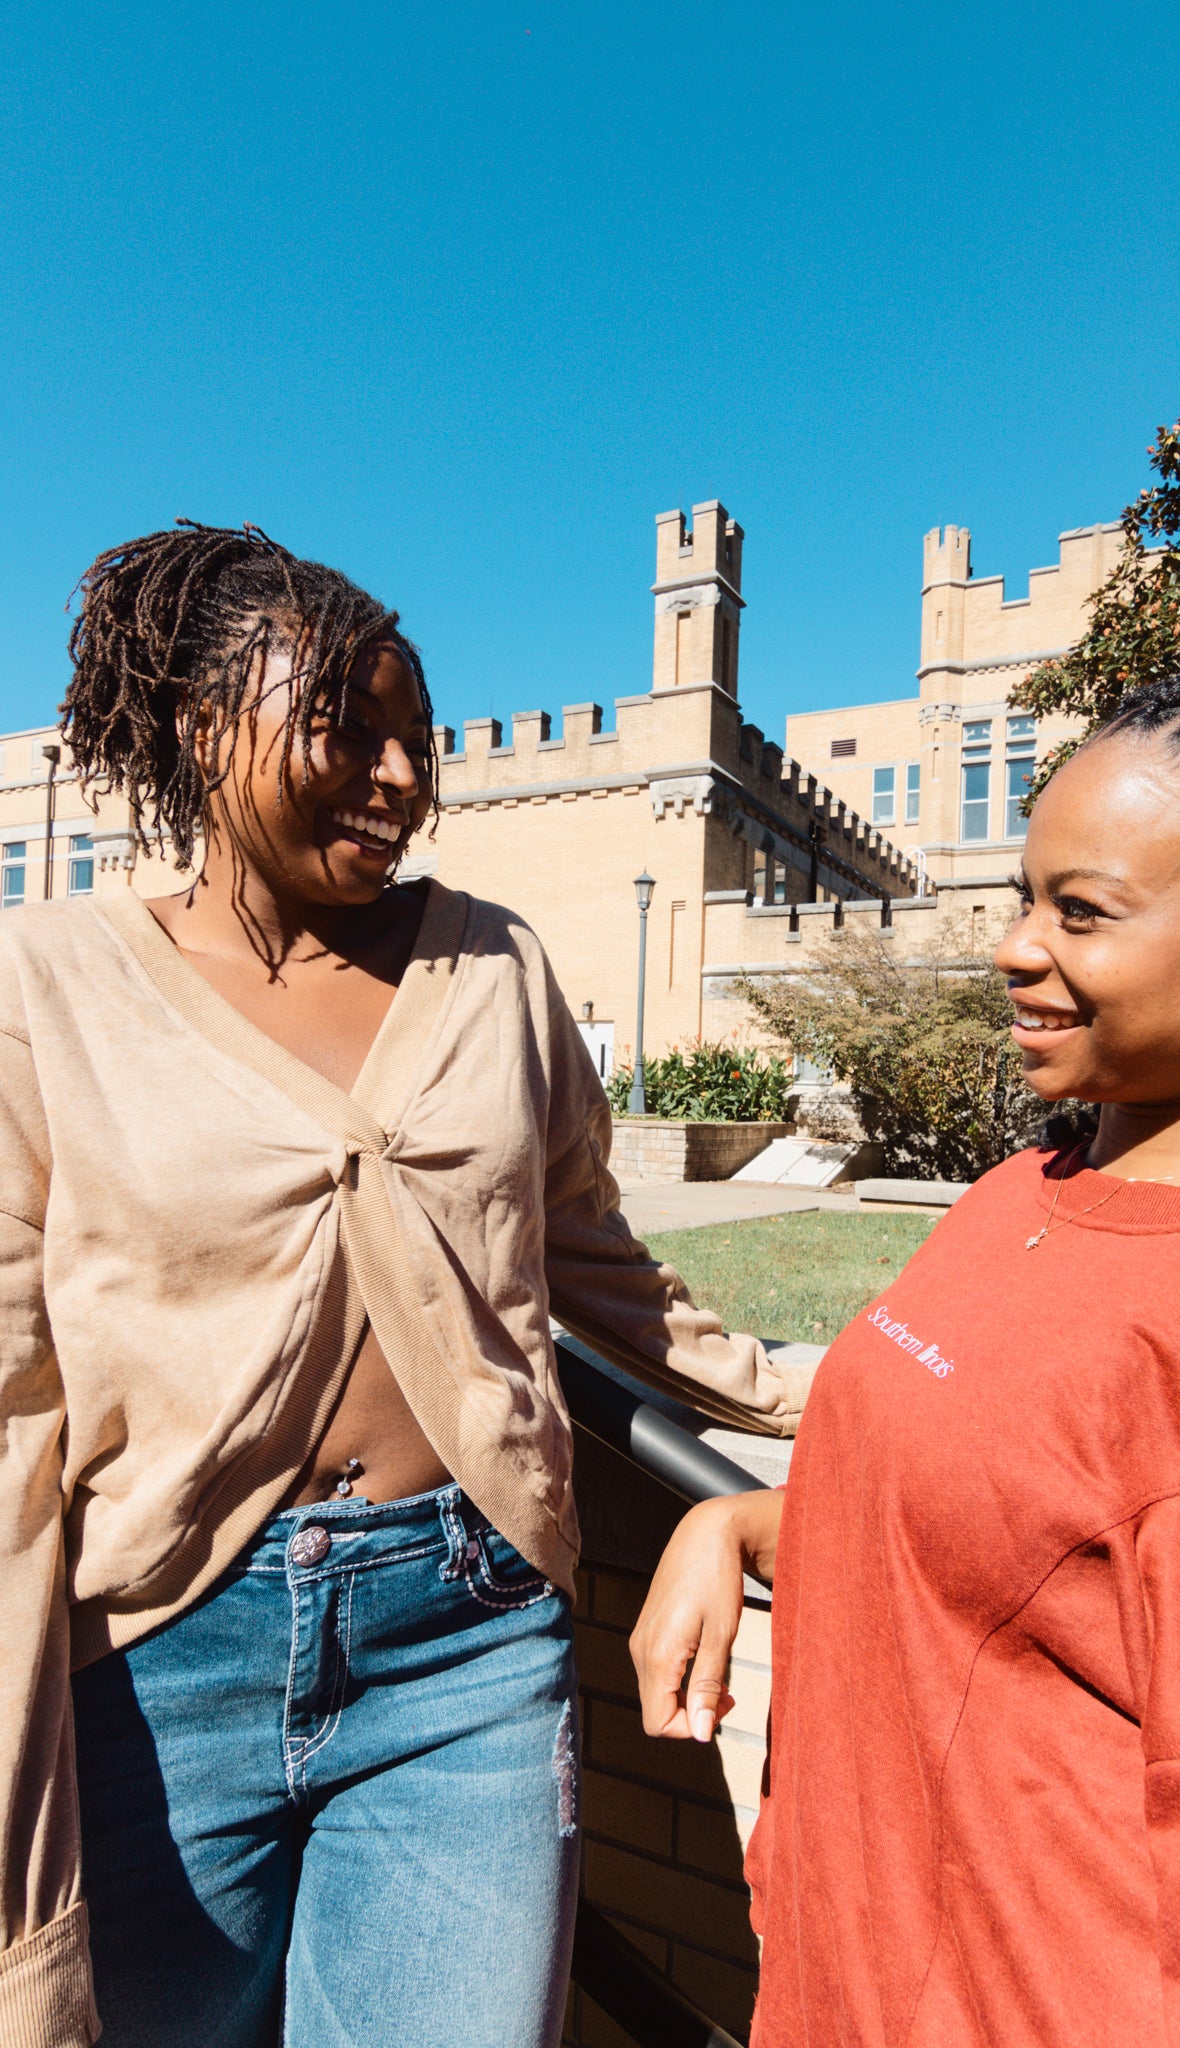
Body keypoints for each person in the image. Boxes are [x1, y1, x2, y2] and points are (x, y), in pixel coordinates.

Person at [0, 522, 810, 2048]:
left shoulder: (490, 966)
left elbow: (600, 1267)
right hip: (161, 1651)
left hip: (470, 1633)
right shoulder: (43, 984)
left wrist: (820, 1405)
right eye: (345, 730)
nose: (397, 778)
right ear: (198, 726)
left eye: (417, 742)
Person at [631, 651, 1180, 2048]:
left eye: (1080, 913)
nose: (1015, 948)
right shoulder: (1021, 1190)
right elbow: (1013, 1527)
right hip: (845, 1976)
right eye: (1024, 898)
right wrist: (737, 1524)